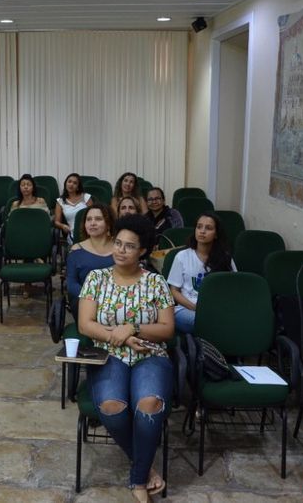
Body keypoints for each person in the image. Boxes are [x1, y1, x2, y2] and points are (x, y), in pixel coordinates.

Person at [78, 214, 175, 503]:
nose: (120, 250)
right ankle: (145, 467)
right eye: (117, 243)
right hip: (109, 353)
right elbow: (85, 324)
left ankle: (137, 481)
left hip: (150, 354)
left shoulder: (156, 282)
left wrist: (133, 328)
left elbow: (167, 329)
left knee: (149, 404)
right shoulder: (97, 278)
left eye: (129, 246)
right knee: (111, 406)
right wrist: (118, 337)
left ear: (142, 250)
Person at [167, 212, 235, 335]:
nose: (202, 231)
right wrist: (196, 308)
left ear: (216, 234)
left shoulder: (225, 258)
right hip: (187, 308)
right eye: (199, 227)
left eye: (208, 228)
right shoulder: (182, 256)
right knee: (204, 322)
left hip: (216, 309)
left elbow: (232, 288)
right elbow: (174, 291)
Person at [66, 203, 115, 318]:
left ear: (108, 224)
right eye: (89, 219)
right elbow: (71, 284)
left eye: (98, 219)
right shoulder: (76, 250)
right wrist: (93, 297)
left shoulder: (119, 247)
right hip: (86, 301)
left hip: (117, 300)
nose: (92, 223)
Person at [54, 173, 93, 244]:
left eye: (75, 183)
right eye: (69, 181)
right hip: (73, 232)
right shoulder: (60, 201)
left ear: (78, 187)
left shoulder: (86, 197)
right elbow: (56, 222)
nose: (71, 184)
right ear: (66, 183)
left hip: (89, 229)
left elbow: (94, 214)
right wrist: (63, 226)